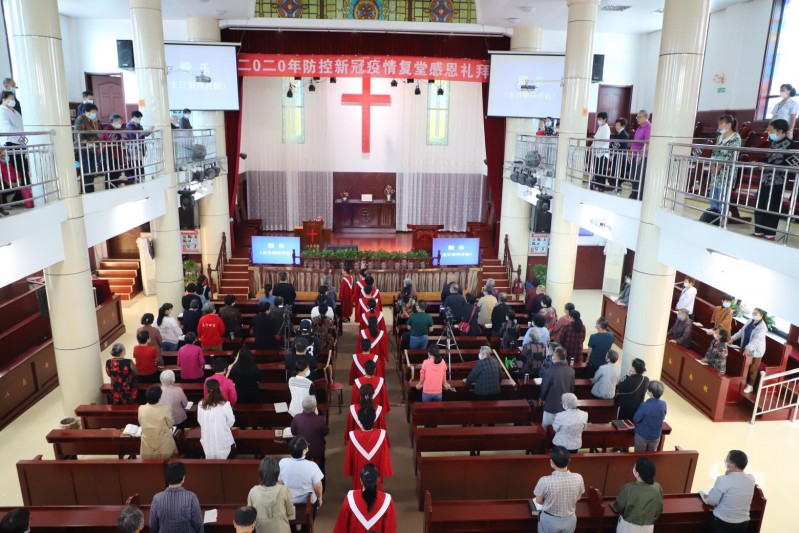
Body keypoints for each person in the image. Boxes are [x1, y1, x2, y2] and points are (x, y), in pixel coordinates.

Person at [753, 119, 795, 240]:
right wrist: (760, 163)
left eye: (771, 131)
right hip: (765, 179)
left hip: (777, 182)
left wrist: (769, 166)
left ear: (780, 131)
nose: (769, 133)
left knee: (772, 206)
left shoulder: (790, 145)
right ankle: (759, 231)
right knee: (761, 204)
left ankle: (770, 234)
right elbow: (768, 159)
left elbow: (791, 165)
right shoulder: (774, 143)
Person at [701, 450, 756, 532]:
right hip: (743, 524)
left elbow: (712, 501)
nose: (725, 462)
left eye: (727, 461)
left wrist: (705, 496)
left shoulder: (723, 480)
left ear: (733, 466)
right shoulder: (751, 479)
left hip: (722, 523)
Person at [532, 446, 585, 533]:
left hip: (550, 520)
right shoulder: (578, 478)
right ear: (569, 460)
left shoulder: (544, 481)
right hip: (570, 519)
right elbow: (578, 497)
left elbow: (538, 501)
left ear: (552, 463)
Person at [334, 463, 397, 532]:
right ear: (378, 480)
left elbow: (340, 530)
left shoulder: (350, 499)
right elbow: (390, 530)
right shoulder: (387, 501)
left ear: (361, 480)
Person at [610, 456, 663, 532]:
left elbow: (618, 508)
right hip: (648, 527)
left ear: (637, 473)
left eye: (635, 466)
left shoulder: (628, 488)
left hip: (629, 527)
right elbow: (658, 510)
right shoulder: (657, 488)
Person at [344, 408, 392, 490]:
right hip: (376, 470)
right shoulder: (381, 435)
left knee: (359, 492)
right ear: (374, 419)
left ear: (359, 420)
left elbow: (350, 459)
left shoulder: (353, 436)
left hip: (359, 472)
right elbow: (384, 458)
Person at [149, 462, 203, 532]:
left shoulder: (156, 498)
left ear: (166, 477)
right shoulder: (191, 497)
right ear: (183, 478)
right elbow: (198, 524)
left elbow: (152, 525)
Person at [247, 456, 295, 533]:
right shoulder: (284, 490)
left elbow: (250, 515)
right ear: (277, 472)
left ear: (261, 472)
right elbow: (290, 513)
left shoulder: (253, 491)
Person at [707, 115, 742, 214]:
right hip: (715, 170)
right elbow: (714, 152)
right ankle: (713, 212)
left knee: (723, 193)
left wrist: (720, 166)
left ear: (729, 125)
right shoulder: (719, 137)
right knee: (714, 191)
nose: (719, 126)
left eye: (721, 124)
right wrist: (712, 164)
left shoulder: (736, 137)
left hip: (727, 172)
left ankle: (722, 214)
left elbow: (731, 154)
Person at [279, 437, 324, 513]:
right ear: (304, 451)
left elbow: (280, 482)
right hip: (307, 503)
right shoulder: (312, 465)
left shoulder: (282, 462)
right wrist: (320, 498)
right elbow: (318, 486)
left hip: (288, 502)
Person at [731, 308, 769, 394]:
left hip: (756, 351)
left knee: (752, 368)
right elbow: (742, 331)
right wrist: (732, 338)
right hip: (745, 345)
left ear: (761, 315)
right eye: (753, 313)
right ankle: (740, 382)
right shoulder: (750, 320)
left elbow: (757, 340)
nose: (753, 314)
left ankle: (750, 386)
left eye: (756, 313)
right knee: (742, 365)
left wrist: (748, 349)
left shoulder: (763, 327)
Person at [290, 396, 329, 475]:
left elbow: (293, 432)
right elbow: (325, 432)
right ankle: (321, 479)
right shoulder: (320, 419)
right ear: (315, 407)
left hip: (301, 451)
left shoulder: (297, 418)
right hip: (317, 451)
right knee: (320, 469)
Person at [197, 378, 235, 459]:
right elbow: (231, 422)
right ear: (218, 388)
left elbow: (200, 421)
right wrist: (223, 426)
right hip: (222, 437)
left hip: (207, 437)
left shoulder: (201, 404)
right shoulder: (225, 404)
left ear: (207, 389)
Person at [137, 385, 178, 459]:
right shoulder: (165, 408)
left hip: (147, 444)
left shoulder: (141, 408)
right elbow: (170, 424)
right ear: (159, 397)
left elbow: (141, 422)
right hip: (163, 443)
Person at [540, 347, 575, 429]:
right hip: (565, 405)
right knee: (561, 428)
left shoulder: (549, 371)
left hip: (551, 405)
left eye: (553, 355)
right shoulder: (571, 371)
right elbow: (571, 388)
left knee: (546, 428)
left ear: (556, 358)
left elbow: (544, 388)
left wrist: (541, 398)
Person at [632, 381, 667, 452]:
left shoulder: (645, 405)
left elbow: (635, 419)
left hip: (642, 435)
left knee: (639, 455)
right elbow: (663, 417)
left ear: (650, 393)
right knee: (651, 455)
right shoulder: (663, 404)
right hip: (656, 435)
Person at [629, 110, 651, 200]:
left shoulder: (648, 127)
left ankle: (639, 196)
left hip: (642, 156)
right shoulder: (639, 127)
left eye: (640, 117)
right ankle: (633, 194)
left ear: (646, 117)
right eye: (637, 117)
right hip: (635, 155)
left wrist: (641, 155)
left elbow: (647, 143)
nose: (637, 118)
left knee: (639, 177)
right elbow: (635, 142)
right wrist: (630, 153)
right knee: (633, 176)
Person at [609, 118, 631, 195]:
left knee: (619, 173)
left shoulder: (624, 134)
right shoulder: (617, 133)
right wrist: (611, 153)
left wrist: (613, 153)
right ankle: (614, 188)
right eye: (615, 124)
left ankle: (618, 190)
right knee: (614, 172)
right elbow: (613, 144)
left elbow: (621, 146)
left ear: (622, 125)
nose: (616, 126)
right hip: (615, 156)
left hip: (621, 157)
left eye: (618, 124)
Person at [592, 111, 612, 190]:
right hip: (597, 153)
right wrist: (592, 146)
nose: (598, 121)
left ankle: (600, 187)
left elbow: (604, 141)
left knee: (601, 171)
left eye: (600, 119)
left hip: (602, 153)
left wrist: (597, 147)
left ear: (605, 119)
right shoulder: (600, 127)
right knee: (597, 170)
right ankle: (597, 186)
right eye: (598, 119)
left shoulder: (606, 128)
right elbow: (595, 138)